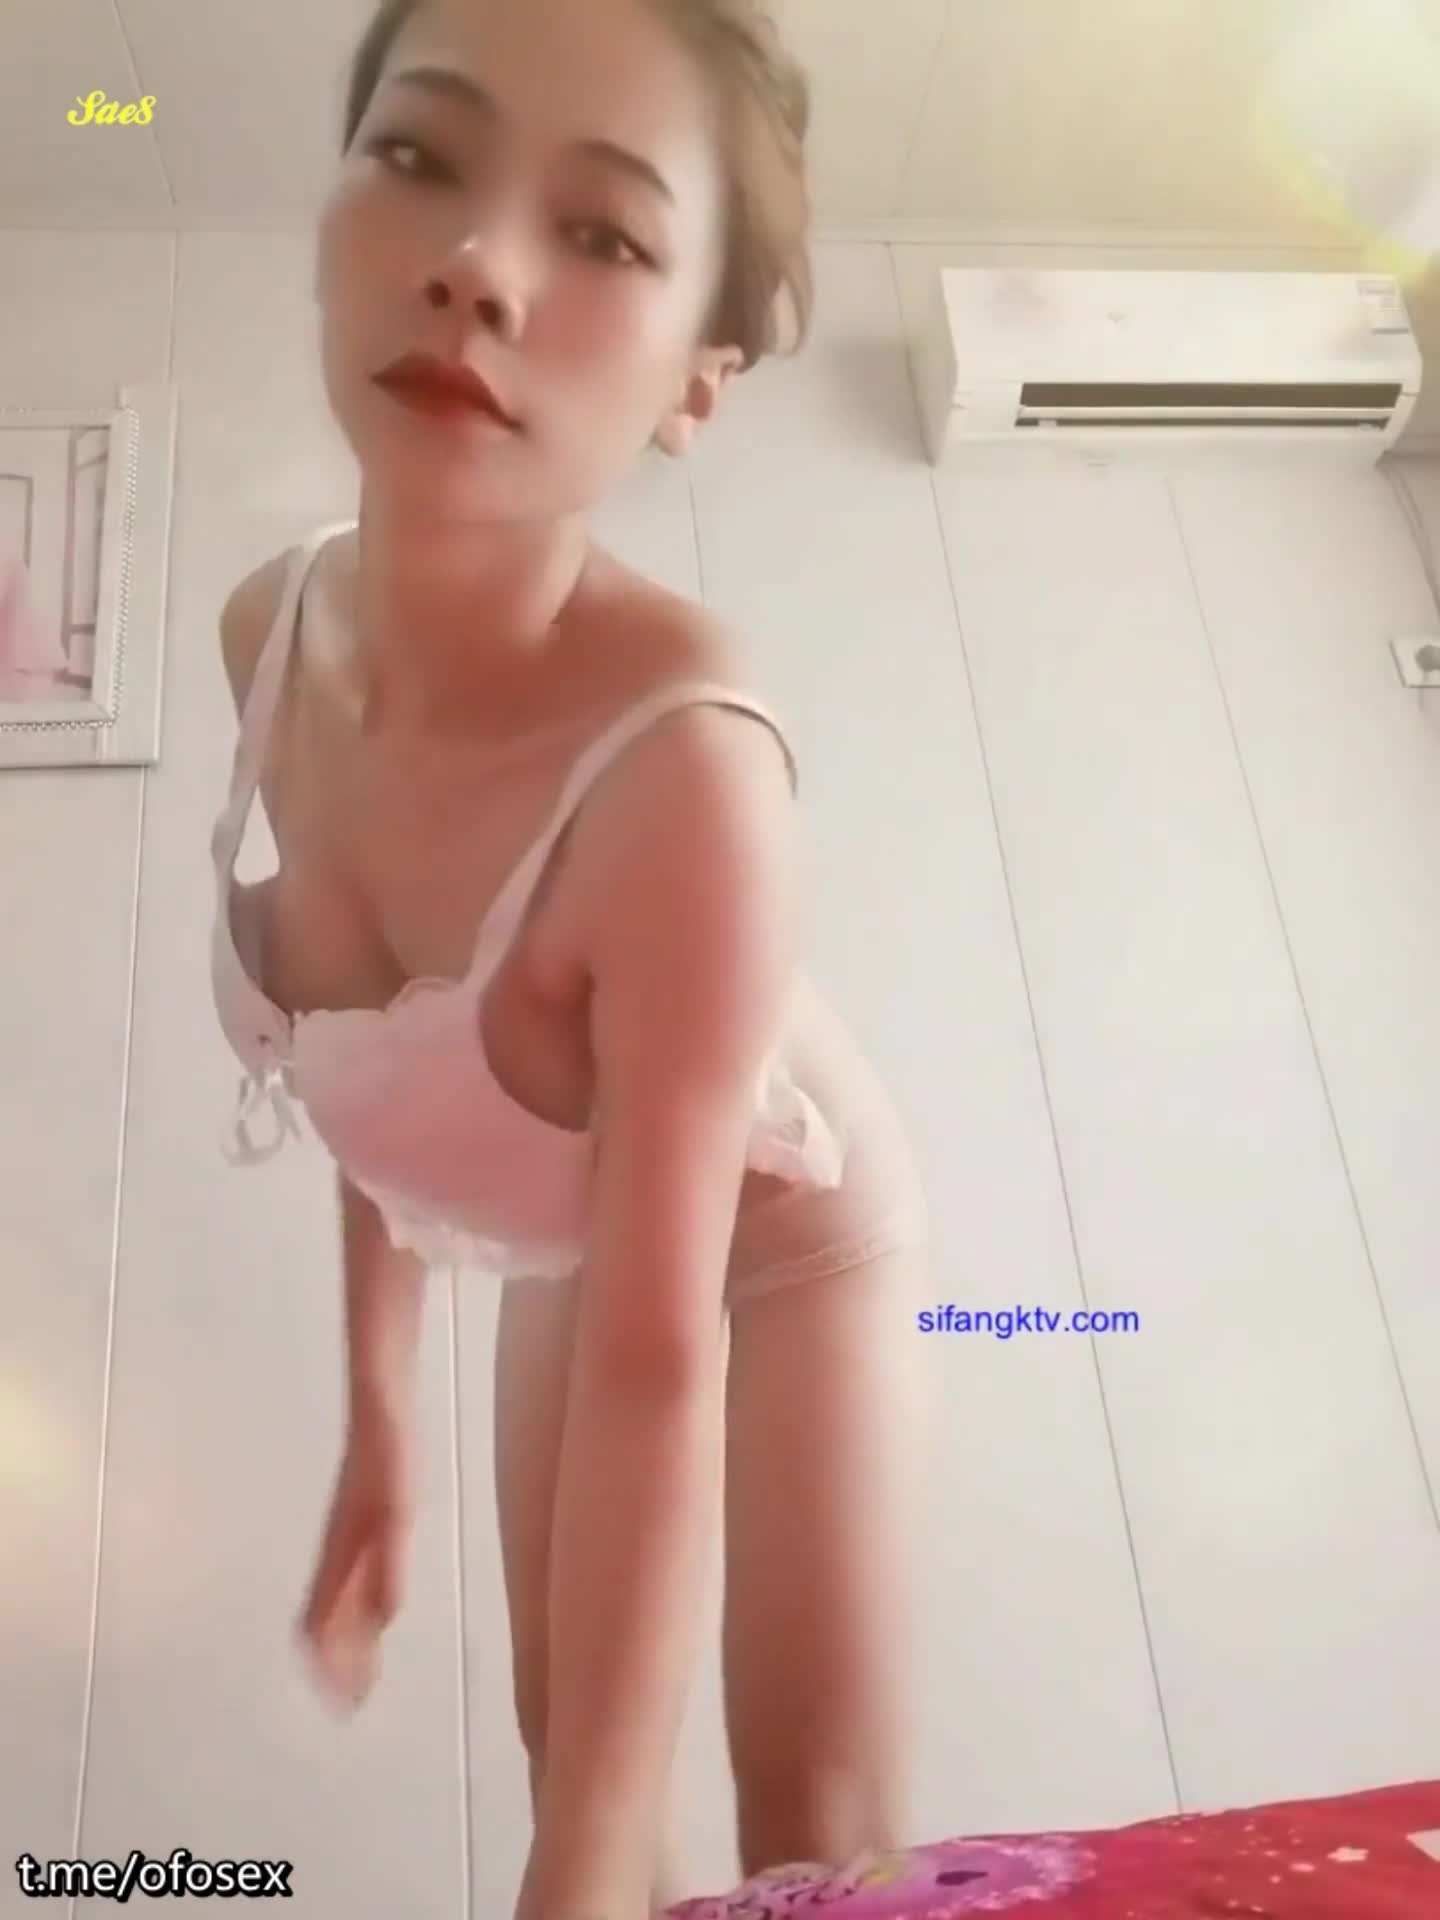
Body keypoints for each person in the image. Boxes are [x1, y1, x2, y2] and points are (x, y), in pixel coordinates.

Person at [208, 1, 932, 1915]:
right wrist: (379, 1437)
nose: (476, 262)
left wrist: (583, 1871)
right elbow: (375, 1053)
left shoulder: (692, 775)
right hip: (575, 1219)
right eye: (418, 155)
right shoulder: (266, 638)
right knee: (560, 1736)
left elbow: (652, 1361)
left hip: (779, 1235)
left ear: (699, 379)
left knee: (811, 1834)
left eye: (602, 232)